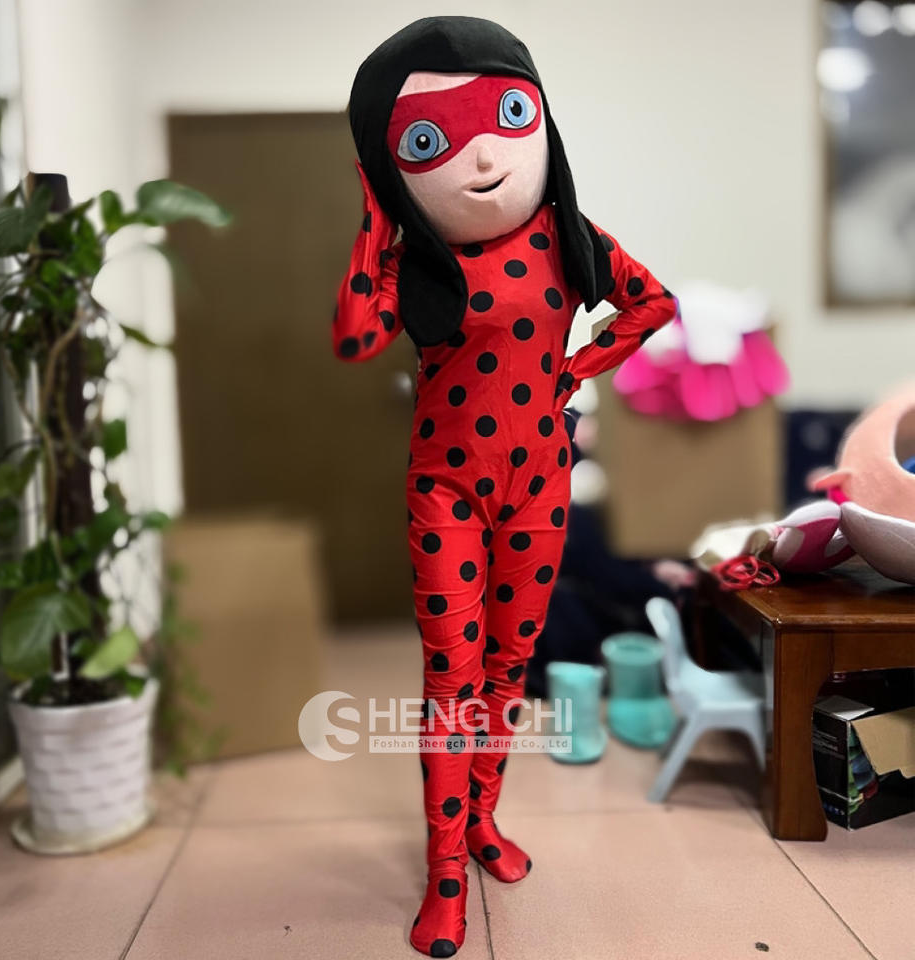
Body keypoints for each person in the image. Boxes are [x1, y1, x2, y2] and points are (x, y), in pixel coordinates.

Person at [333, 17, 676, 957]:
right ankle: (444, 870)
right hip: (444, 491)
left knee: (507, 668)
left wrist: (577, 370)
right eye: (429, 139)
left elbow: (653, 303)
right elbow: (354, 335)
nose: (482, 157)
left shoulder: (569, 239)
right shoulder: (414, 262)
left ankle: (483, 821)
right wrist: (375, 218)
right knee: (452, 678)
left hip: (541, 481)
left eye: (508, 115)